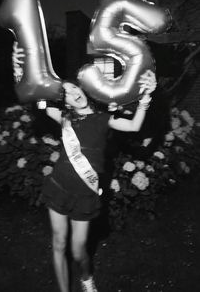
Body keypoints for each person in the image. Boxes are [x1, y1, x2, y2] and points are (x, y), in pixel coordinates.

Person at [12, 42, 157, 292]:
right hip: (58, 187)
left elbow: (133, 126)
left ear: (84, 90)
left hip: (85, 195)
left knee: (79, 249)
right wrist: (18, 69)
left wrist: (145, 98)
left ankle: (86, 276)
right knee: (58, 243)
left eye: (75, 88)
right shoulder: (64, 118)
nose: (73, 93)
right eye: (66, 92)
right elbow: (33, 95)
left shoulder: (103, 119)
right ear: (65, 101)